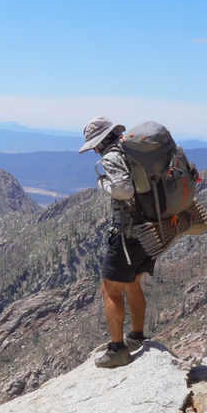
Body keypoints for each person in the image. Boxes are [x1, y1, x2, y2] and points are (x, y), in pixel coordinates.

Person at [79, 116, 151, 368]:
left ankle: (118, 349)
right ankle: (137, 336)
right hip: (150, 229)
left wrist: (103, 183)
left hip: (127, 234)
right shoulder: (133, 151)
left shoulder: (111, 156)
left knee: (110, 290)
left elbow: (124, 190)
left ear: (98, 144)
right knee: (133, 283)